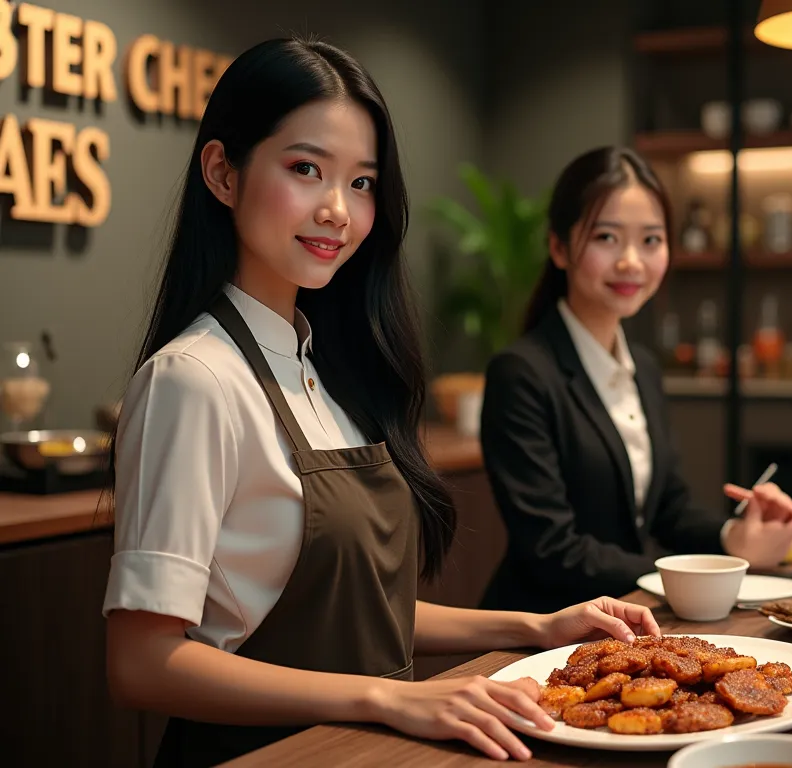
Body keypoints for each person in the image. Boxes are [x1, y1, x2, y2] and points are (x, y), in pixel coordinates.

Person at [101, 40, 661, 767]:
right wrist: (383, 697)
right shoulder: (193, 380)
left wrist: (538, 626)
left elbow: (358, 620)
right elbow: (143, 663)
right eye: (306, 169)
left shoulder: (328, 370)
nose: (338, 210)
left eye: (362, 182)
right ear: (223, 173)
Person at [480, 146, 792, 615]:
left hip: (633, 621)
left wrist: (732, 536)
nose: (632, 261)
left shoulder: (644, 368)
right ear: (559, 247)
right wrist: (699, 571)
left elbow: (669, 506)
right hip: (544, 629)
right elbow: (552, 549)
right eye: (607, 238)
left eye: (651, 240)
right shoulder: (522, 373)